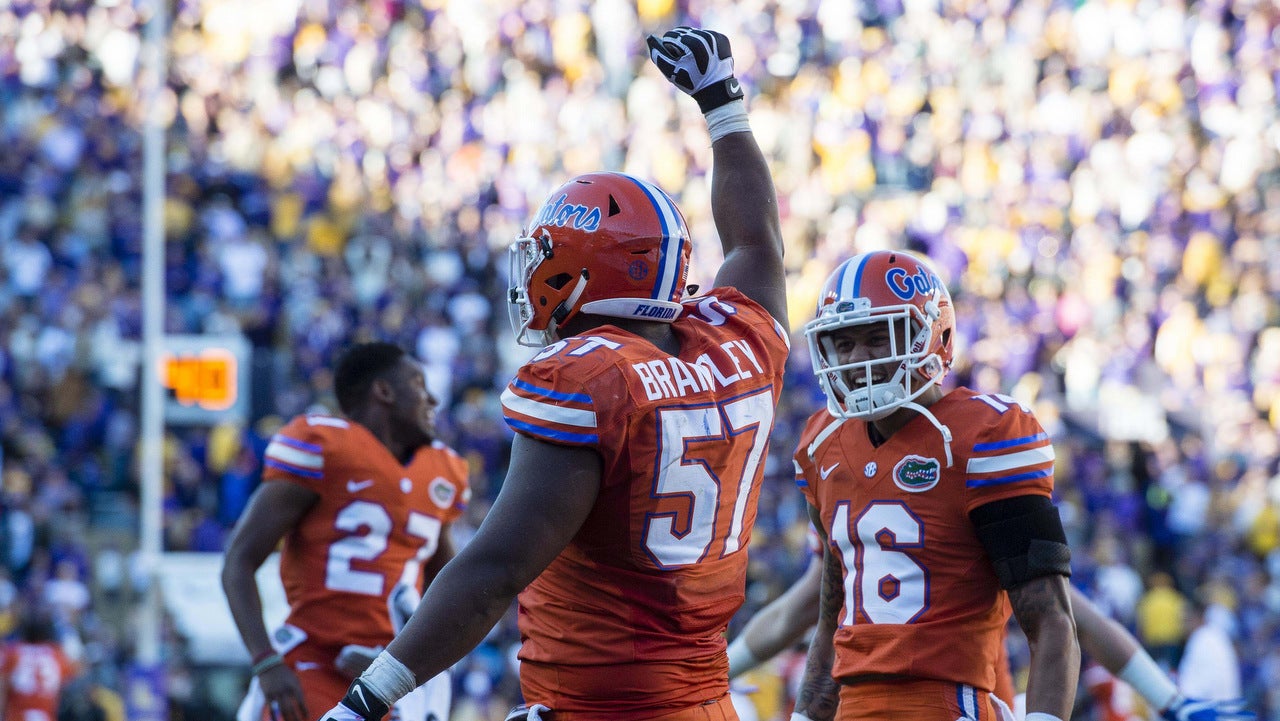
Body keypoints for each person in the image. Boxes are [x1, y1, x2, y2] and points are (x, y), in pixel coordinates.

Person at [317, 25, 789, 721]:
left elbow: (494, 570)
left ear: (585, 272)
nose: (534, 276)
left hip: (605, 707)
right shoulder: (738, 341)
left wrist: (364, 701)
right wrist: (723, 104)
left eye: (549, 259)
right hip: (706, 702)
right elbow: (756, 240)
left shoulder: (587, 379)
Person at [791, 250, 1078, 721]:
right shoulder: (822, 443)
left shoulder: (983, 435)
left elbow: (1051, 621)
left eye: (876, 338)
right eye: (843, 344)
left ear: (931, 335)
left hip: (945, 704)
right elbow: (833, 622)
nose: (858, 359)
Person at [222, 342, 469, 721]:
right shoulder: (323, 445)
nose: (432, 399)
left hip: (391, 678)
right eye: (419, 384)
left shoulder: (442, 470)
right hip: (314, 662)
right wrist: (266, 662)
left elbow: (450, 584)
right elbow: (238, 560)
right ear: (384, 391)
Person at [728, 544, 1256, 720]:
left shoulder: (970, 463)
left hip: (965, 702)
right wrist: (709, 675)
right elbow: (806, 611)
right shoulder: (836, 458)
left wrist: (1168, 699)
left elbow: (1068, 615)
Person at [0, 606, 79, 721]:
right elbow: (73, 674)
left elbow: (3, 683)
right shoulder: (56, 654)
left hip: (17, 714)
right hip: (44, 715)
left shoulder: (13, 652)